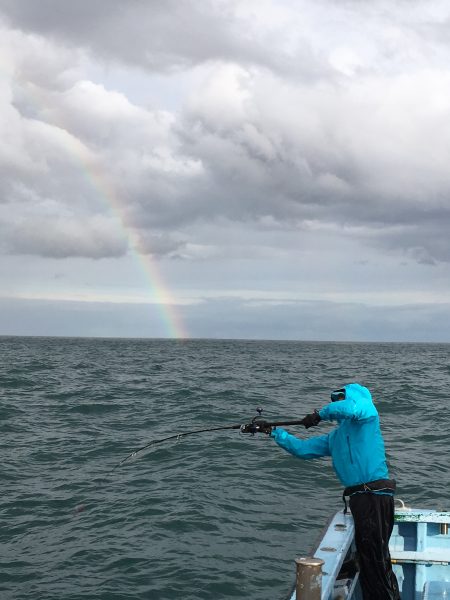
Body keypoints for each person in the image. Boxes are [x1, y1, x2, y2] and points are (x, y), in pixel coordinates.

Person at [268, 383, 400, 600]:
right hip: (359, 500)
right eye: (335, 399)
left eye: (341, 398)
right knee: (368, 559)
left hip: (376, 495)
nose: (337, 403)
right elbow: (302, 449)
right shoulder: (334, 438)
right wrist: (274, 432)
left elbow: (352, 408)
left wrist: (318, 414)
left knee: (375, 559)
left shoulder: (367, 415)